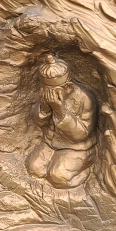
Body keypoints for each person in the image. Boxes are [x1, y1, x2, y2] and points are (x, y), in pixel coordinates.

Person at [25, 54, 98, 188]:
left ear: (68, 87)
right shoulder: (45, 95)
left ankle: (86, 171)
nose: (50, 95)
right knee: (34, 169)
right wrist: (44, 108)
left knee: (58, 177)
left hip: (75, 148)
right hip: (50, 144)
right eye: (46, 90)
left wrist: (60, 110)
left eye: (54, 91)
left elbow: (81, 135)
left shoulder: (85, 99)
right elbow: (39, 123)